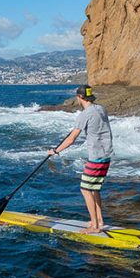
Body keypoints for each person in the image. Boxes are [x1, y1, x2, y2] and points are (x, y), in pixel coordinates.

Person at [48, 85, 113, 234]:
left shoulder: (85, 114)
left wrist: (55, 151)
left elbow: (71, 139)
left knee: (85, 189)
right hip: (106, 155)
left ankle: (95, 226)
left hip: (96, 157)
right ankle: (100, 220)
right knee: (94, 188)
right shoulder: (101, 109)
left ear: (80, 97)